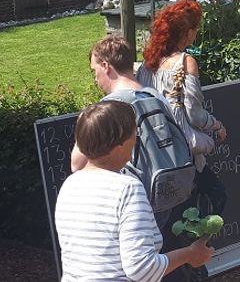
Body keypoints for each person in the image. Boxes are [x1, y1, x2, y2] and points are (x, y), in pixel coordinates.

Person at [73, 32, 224, 281]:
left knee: (148, 266)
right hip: (174, 191)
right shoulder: (155, 96)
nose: (96, 78)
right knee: (176, 259)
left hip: (139, 203)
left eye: (94, 71)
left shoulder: (110, 108)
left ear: (106, 66)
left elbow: (76, 163)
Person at [57, 100, 214, 281]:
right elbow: (142, 269)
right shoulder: (127, 189)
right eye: (135, 133)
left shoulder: (69, 185)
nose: (136, 139)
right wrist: (190, 254)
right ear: (121, 144)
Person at [137, 1, 229, 222]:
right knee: (214, 197)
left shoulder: (147, 65)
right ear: (188, 32)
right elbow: (194, 114)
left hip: (154, 149)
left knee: (172, 212)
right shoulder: (185, 62)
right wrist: (217, 126)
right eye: (196, 28)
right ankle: (194, 251)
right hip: (182, 149)